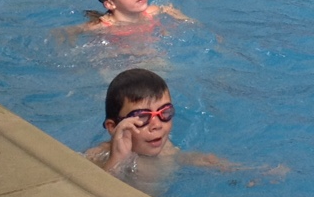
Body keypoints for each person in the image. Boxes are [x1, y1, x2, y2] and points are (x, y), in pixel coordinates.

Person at [85, 68, 236, 177]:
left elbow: (176, 158)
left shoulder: (165, 146)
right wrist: (117, 161)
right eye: (142, 117)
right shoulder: (99, 156)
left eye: (164, 112)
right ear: (113, 127)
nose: (157, 125)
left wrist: (219, 165)